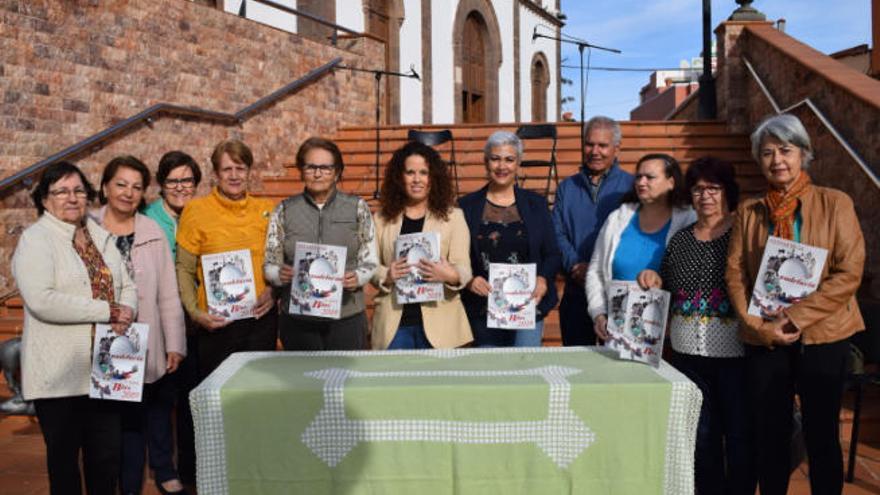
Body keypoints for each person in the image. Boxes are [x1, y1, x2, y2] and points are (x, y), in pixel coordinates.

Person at [726, 114, 865, 495]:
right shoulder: (750, 212)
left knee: (821, 435)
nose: (777, 160)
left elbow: (849, 272)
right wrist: (759, 326)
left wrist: (796, 315)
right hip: (767, 337)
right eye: (767, 152)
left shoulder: (836, 203)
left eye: (785, 150)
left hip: (825, 334)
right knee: (770, 435)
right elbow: (736, 274)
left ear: (804, 153)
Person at [12, 161, 137, 495]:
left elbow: (127, 283)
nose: (72, 198)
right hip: (60, 376)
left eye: (78, 190)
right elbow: (42, 300)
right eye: (61, 191)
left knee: (106, 460)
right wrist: (107, 310)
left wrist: (128, 310)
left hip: (107, 370)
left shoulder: (100, 234)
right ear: (45, 199)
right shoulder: (36, 240)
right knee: (65, 466)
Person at [637, 157, 755, 494]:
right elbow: (667, 283)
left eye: (713, 189)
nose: (705, 196)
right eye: (699, 189)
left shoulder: (742, 232)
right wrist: (653, 277)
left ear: (727, 191)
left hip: (735, 353)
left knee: (738, 436)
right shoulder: (681, 238)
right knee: (701, 439)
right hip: (688, 355)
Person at [93, 156, 188, 495]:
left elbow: (167, 293)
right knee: (102, 430)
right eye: (121, 184)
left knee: (134, 426)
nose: (128, 193)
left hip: (142, 343)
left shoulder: (153, 233)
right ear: (105, 186)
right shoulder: (84, 229)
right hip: (96, 341)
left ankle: (131, 488)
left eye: (136, 187)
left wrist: (174, 342)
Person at [176, 139, 277, 378]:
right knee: (218, 395)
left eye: (240, 168)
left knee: (258, 392)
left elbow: (278, 262)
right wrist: (194, 312)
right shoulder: (196, 210)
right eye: (227, 169)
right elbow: (184, 268)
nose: (234, 175)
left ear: (249, 172)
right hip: (216, 321)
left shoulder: (267, 210)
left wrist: (273, 291)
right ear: (216, 174)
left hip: (260, 319)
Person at [264, 137, 377, 350]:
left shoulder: (357, 207)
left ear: (337, 172)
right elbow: (270, 262)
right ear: (301, 170)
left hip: (346, 315)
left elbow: (370, 261)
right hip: (298, 318)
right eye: (311, 167)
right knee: (302, 382)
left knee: (344, 381)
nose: (317, 173)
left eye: (325, 167)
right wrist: (278, 274)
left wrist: (359, 277)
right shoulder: (284, 209)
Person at [458, 131, 561, 346]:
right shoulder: (467, 206)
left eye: (509, 160)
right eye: (495, 159)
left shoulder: (536, 204)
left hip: (528, 305)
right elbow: (456, 255)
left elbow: (552, 254)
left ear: (518, 163)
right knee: (489, 374)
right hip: (483, 308)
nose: (502, 166)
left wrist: (543, 279)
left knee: (525, 371)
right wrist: (468, 280)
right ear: (485, 162)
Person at [371, 141, 473, 349]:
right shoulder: (381, 219)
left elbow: (464, 268)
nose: (417, 179)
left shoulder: (454, 217)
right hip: (394, 327)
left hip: (441, 327)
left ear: (433, 178)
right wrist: (387, 275)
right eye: (410, 172)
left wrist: (449, 275)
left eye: (424, 173)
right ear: (400, 177)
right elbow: (369, 266)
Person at [141, 150, 202, 489]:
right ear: (161, 185)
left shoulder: (202, 212)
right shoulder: (149, 219)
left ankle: (191, 464)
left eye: (187, 180)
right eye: (172, 181)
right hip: (160, 319)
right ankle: (164, 468)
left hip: (195, 319)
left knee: (191, 394)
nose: (181, 187)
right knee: (161, 397)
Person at [586, 153, 695, 340]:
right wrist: (598, 313)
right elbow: (595, 270)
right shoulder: (617, 218)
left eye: (650, 177)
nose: (641, 182)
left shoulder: (689, 219)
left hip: (668, 335)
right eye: (638, 176)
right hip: (617, 333)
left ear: (671, 182)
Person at [552, 116, 634, 345]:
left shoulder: (632, 186)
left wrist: (599, 270)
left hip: (618, 290)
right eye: (589, 144)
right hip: (576, 289)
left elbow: (636, 234)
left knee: (618, 369)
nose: (595, 151)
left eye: (603, 145)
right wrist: (576, 266)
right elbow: (556, 231)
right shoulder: (567, 187)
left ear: (616, 148)